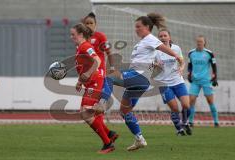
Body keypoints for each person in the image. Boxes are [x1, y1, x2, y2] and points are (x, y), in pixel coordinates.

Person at [96, 13, 184, 151]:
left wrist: (177, 56)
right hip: (139, 80)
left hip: (138, 77)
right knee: (125, 111)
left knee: (109, 77)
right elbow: (150, 60)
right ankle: (139, 139)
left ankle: (101, 103)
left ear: (147, 27)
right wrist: (152, 67)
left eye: (139, 27)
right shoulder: (142, 43)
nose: (136, 29)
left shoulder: (150, 39)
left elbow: (162, 47)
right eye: (135, 27)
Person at [70, 23, 115, 154]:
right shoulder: (80, 47)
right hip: (90, 83)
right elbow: (84, 67)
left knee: (85, 113)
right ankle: (109, 135)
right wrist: (80, 81)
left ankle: (108, 143)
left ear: (80, 34)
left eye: (73, 34)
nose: (71, 36)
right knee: (93, 114)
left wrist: (88, 74)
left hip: (95, 82)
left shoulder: (86, 46)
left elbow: (97, 60)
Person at [82, 12, 119, 142]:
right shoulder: (82, 39)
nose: (88, 25)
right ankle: (110, 134)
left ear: (96, 25)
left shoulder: (100, 37)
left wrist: (112, 68)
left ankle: (108, 140)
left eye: (91, 23)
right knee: (93, 110)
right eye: (86, 23)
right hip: (89, 78)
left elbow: (109, 53)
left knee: (89, 110)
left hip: (99, 76)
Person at [153, 29, 191, 136]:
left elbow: (181, 61)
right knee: (174, 108)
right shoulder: (156, 51)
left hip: (178, 81)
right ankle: (179, 129)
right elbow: (149, 67)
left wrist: (182, 68)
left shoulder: (176, 48)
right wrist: (155, 65)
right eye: (161, 36)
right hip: (164, 84)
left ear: (169, 37)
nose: (163, 38)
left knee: (186, 105)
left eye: (165, 35)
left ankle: (184, 122)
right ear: (158, 38)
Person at [187, 35, 219, 127]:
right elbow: (189, 65)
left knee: (210, 101)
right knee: (191, 100)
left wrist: (215, 77)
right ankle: (191, 122)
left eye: (201, 41)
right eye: (198, 41)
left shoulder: (209, 53)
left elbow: (214, 65)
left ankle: (216, 121)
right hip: (195, 81)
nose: (199, 43)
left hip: (206, 80)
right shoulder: (191, 53)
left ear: (204, 43)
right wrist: (189, 73)